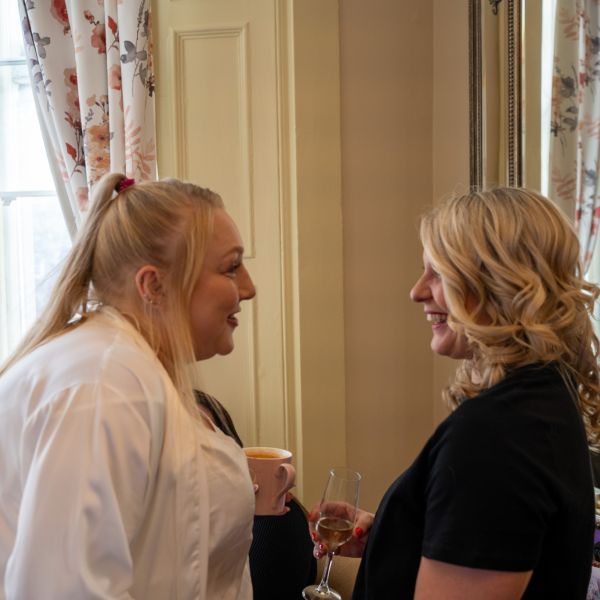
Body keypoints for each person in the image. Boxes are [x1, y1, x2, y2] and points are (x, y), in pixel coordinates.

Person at [312, 188, 600, 599]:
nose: (417, 291)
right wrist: (392, 536)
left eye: (439, 274)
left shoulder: (496, 434)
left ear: (501, 282)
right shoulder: (545, 397)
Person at [0, 172, 257, 599]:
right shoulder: (106, 386)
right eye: (231, 267)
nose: (248, 288)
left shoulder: (132, 370)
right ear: (154, 285)